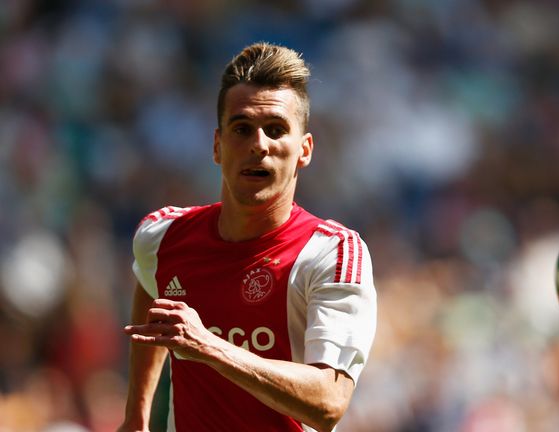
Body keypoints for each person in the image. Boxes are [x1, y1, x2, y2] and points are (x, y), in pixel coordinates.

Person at [119, 42, 377, 432]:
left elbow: (329, 401)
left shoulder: (332, 254)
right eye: (242, 129)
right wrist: (136, 416)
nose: (259, 145)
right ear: (218, 146)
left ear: (304, 150)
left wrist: (209, 347)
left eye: (276, 130)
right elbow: (149, 286)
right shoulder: (164, 235)